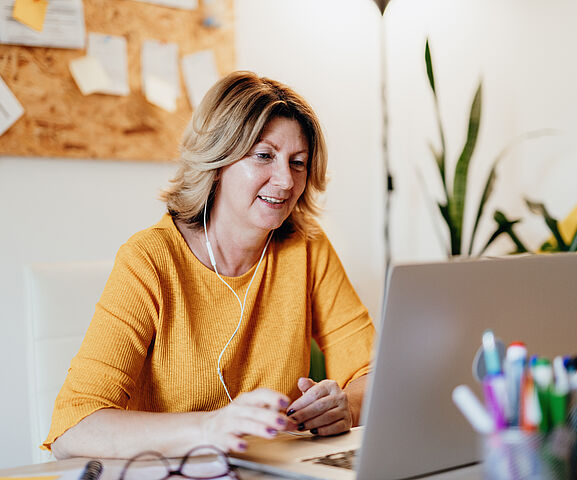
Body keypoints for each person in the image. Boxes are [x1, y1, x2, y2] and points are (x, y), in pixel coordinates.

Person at [45, 71, 375, 459]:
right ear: (218, 159)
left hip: (275, 470)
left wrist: (347, 406)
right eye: (264, 156)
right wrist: (210, 426)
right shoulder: (150, 259)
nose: (285, 180)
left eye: (298, 162)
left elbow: (376, 374)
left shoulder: (307, 247)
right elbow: (74, 429)